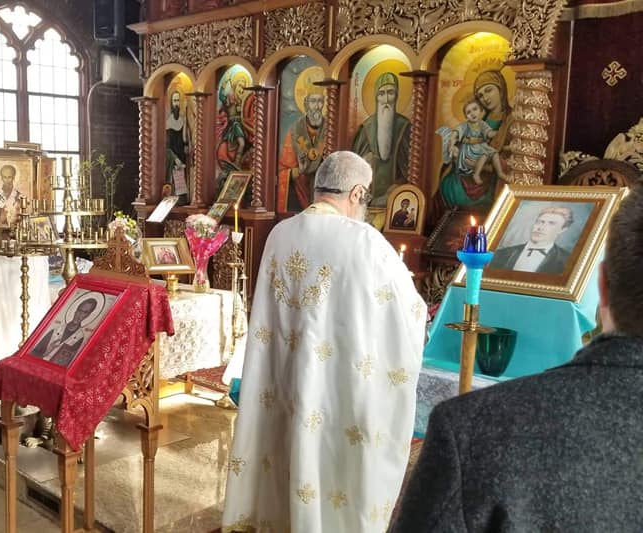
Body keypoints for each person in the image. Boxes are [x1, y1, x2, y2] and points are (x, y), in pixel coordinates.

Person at [390, 187, 643, 532]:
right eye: (539, 220)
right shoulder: (506, 254)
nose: (540, 227)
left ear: (601, 285)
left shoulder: (470, 429)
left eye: (550, 223)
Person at [222, 151, 426, 532]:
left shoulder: (279, 234)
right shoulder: (365, 241)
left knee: (282, 461)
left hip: (282, 382)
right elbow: (409, 315)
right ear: (357, 193)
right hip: (333, 392)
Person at [438, 69, 514, 208]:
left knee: (455, 191)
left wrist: (480, 166)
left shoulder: (511, 120)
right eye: (480, 95)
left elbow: (513, 158)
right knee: (446, 182)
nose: (485, 98)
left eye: (489, 90)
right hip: (468, 168)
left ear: (501, 89)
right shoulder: (480, 120)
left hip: (491, 179)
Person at [351, 72, 411, 207]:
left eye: (391, 93)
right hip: (367, 199)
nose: (386, 99)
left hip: (397, 200)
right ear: (376, 97)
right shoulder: (366, 128)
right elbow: (355, 165)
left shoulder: (404, 126)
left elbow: (411, 168)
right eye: (381, 94)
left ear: (397, 96)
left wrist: (400, 184)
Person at [277, 90, 327, 212]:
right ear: (306, 105)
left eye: (320, 101)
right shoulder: (295, 131)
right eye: (313, 101)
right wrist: (299, 171)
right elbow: (283, 170)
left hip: (324, 194)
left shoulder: (329, 129)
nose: (317, 106)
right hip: (300, 194)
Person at [438, 100, 507, 185]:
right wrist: (451, 145)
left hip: (481, 147)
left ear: (481, 111)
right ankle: (476, 174)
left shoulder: (482, 124)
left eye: (475, 109)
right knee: (485, 155)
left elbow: (489, 133)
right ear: (466, 116)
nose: (472, 113)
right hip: (469, 150)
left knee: (494, 153)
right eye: (468, 112)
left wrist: (498, 132)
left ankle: (500, 173)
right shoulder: (465, 125)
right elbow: (455, 133)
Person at [490, 206, 573, 274]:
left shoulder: (567, 261)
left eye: (551, 223)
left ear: (562, 229)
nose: (540, 228)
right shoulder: (501, 253)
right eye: (539, 222)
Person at [30, 296, 99, 367]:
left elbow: (67, 364)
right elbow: (32, 353)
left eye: (85, 312)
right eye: (80, 310)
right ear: (75, 311)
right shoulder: (57, 329)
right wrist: (46, 353)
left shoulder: (79, 338)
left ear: (88, 315)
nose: (80, 315)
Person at [165, 89, 193, 204]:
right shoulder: (168, 122)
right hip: (173, 156)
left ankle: (183, 201)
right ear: (171, 103)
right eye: (174, 101)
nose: (176, 103)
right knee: (175, 183)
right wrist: (175, 158)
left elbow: (184, 138)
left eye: (178, 100)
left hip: (181, 155)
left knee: (182, 184)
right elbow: (167, 146)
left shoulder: (182, 120)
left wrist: (186, 120)